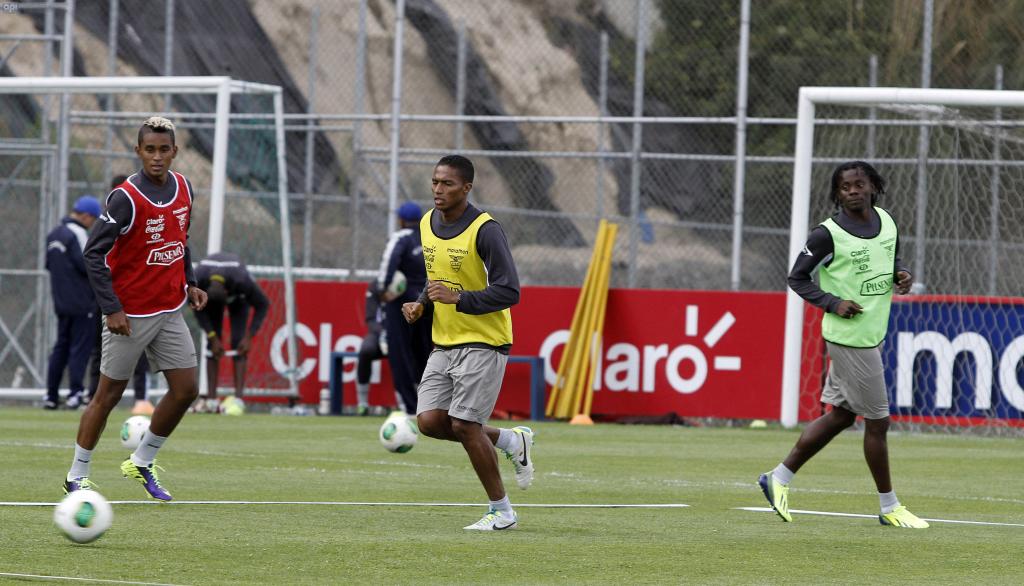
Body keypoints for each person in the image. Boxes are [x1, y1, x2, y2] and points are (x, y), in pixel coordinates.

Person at [758, 160, 928, 529]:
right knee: (878, 422)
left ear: (872, 187)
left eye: (859, 184)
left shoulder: (888, 221)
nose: (853, 191)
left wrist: (901, 275)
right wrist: (834, 303)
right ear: (837, 193)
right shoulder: (826, 234)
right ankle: (889, 507)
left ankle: (779, 478)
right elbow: (797, 278)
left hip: (870, 334)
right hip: (848, 339)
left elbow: (890, 260)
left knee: (841, 416)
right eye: (845, 187)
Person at [64, 116, 207, 501]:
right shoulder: (125, 197)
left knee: (186, 389)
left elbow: (182, 240)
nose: (157, 157)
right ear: (138, 152)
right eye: (150, 150)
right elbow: (93, 254)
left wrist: (190, 282)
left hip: (169, 309)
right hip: (130, 314)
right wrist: (112, 308)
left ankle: (142, 461)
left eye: (164, 150)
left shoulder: (184, 188)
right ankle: (77, 474)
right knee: (107, 397)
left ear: (175, 152)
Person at [402, 155, 534, 531]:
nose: (438, 190)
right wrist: (421, 303)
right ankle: (510, 441)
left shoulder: (485, 229)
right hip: (444, 341)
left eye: (446, 183)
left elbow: (510, 292)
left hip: (484, 340)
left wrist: (459, 299)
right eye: (434, 182)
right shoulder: (427, 223)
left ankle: (503, 512)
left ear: (466, 188)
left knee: (463, 424)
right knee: (429, 422)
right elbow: (435, 278)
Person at [84, 174, 154, 416]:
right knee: (98, 347)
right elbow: (93, 256)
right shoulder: (105, 223)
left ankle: (142, 399)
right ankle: (93, 396)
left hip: (135, 295)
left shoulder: (141, 220)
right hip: (105, 296)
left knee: (141, 349)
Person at [43, 195, 101, 410]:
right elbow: (88, 264)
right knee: (80, 348)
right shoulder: (78, 234)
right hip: (82, 302)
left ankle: (50, 395)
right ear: (86, 216)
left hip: (60, 301)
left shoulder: (54, 234)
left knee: (61, 346)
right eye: (93, 220)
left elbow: (48, 265)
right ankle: (75, 394)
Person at [193, 251, 270, 412]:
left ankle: (239, 399)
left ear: (227, 293)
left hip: (239, 298)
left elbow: (263, 304)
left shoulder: (243, 281)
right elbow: (197, 309)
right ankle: (212, 401)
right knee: (212, 344)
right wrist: (212, 336)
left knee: (238, 342)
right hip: (209, 295)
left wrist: (249, 337)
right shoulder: (198, 280)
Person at [376, 201, 433, 415]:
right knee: (425, 353)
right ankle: (429, 406)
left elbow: (388, 266)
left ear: (400, 220)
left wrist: (383, 290)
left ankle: (409, 408)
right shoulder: (429, 239)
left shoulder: (401, 238)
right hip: (427, 304)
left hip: (402, 306)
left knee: (400, 354)